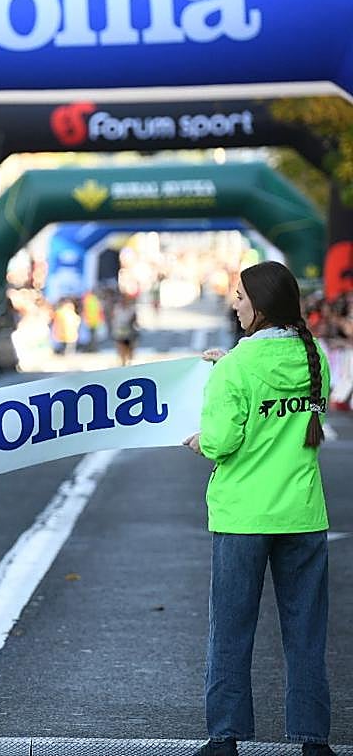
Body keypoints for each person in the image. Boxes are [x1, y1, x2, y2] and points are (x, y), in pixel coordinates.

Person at [182, 261, 334, 756]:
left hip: (243, 516)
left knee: (231, 629)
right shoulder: (316, 358)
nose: (235, 304)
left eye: (241, 297)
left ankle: (224, 737)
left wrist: (201, 439)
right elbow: (284, 402)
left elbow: (223, 441)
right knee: (306, 633)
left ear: (261, 307)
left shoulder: (236, 368)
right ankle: (313, 739)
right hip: (303, 513)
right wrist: (230, 362)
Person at [111, 294, 138, 366]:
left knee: (129, 349)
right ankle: (123, 363)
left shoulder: (132, 309)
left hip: (129, 332)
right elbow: (113, 318)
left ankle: (128, 362)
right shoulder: (117, 308)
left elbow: (135, 320)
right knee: (121, 349)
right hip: (119, 332)